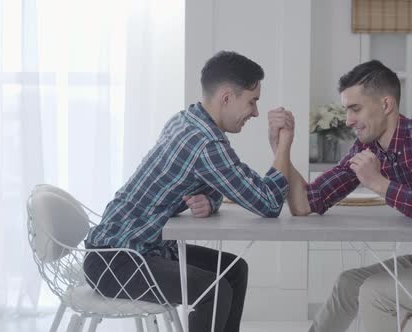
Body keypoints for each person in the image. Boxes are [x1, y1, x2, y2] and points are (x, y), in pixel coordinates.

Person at [268, 60, 412, 332]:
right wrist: (281, 148)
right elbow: (304, 203)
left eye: (355, 109)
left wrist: (380, 184)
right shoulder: (367, 148)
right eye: (346, 110)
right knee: (348, 283)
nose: (348, 120)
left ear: (386, 105)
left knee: (374, 292)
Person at [84, 51, 295, 332]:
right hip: (117, 261)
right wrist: (282, 144)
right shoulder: (205, 143)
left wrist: (209, 200)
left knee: (234, 271)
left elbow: (216, 184)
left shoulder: (186, 121)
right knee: (215, 290)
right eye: (252, 101)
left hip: (137, 250)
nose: (256, 112)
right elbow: (268, 203)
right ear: (226, 97)